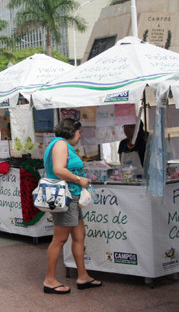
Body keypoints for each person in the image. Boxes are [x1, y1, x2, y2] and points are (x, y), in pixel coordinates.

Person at [43, 118, 101, 294]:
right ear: (71, 131)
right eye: (79, 132)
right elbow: (59, 169)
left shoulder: (62, 145)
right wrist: (78, 179)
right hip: (66, 197)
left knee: (79, 236)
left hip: (72, 196)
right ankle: (50, 280)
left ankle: (82, 276)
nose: (80, 135)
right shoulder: (60, 144)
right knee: (59, 240)